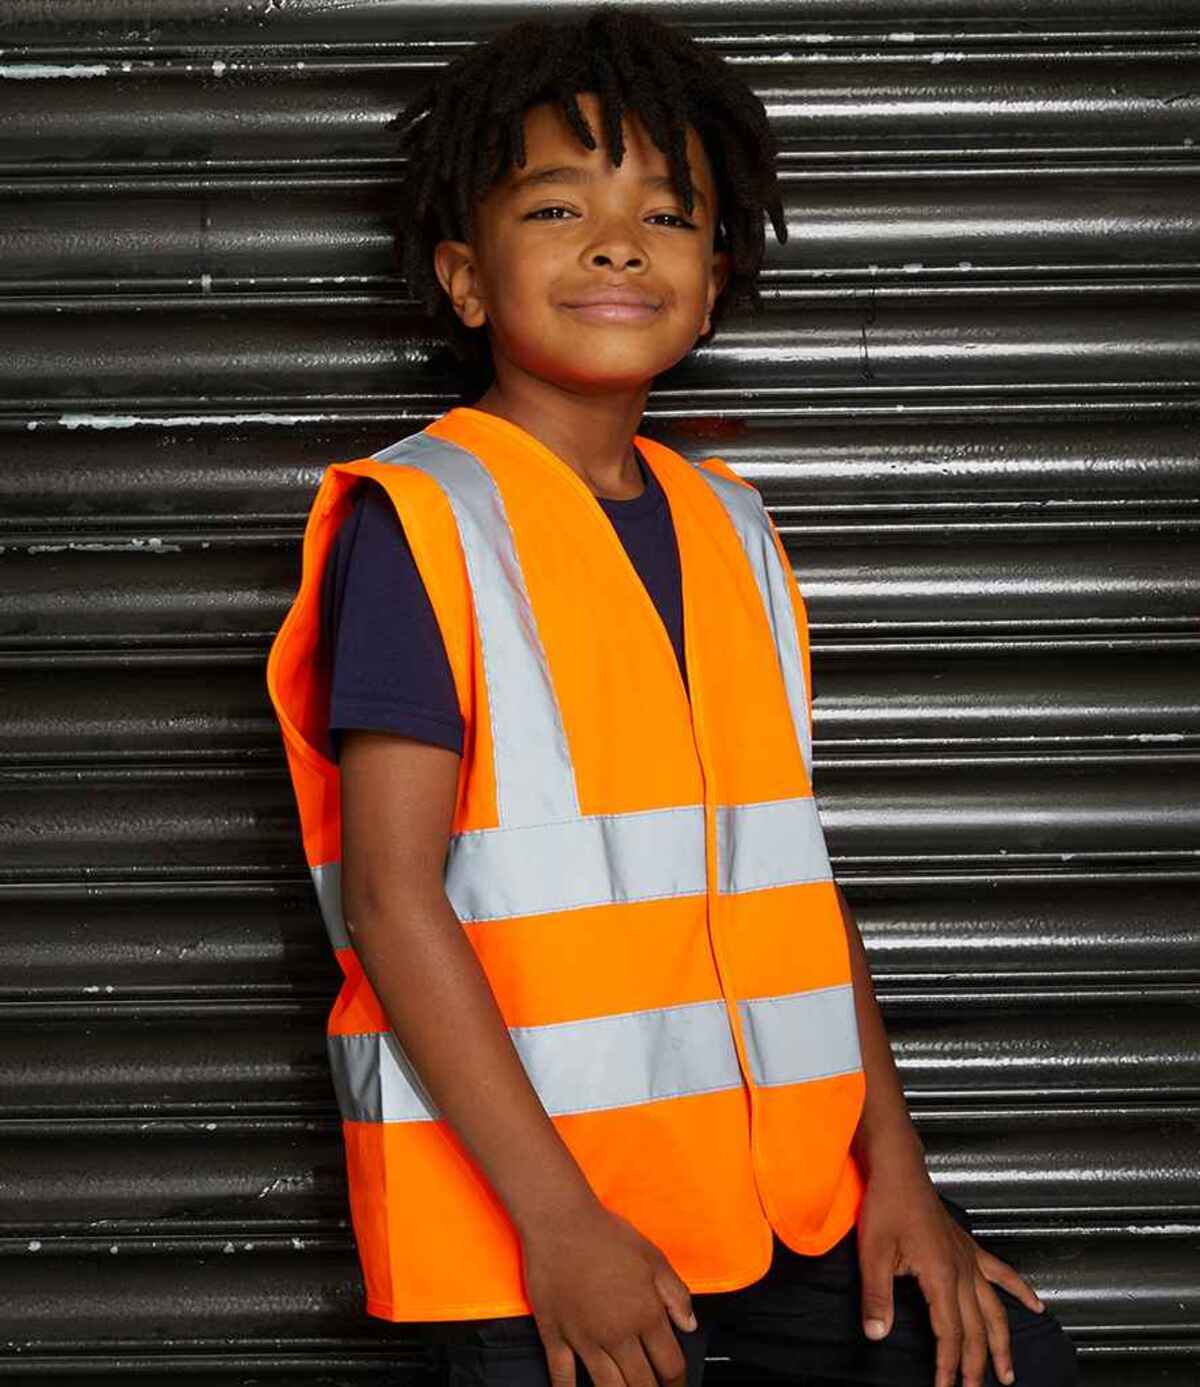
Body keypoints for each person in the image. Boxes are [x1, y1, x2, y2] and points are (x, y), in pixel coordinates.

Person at [266, 9, 1080, 1387]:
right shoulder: (424, 519)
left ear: (712, 284)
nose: (616, 244)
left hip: (779, 1206)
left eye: (665, 214)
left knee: (1008, 1357)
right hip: (540, 1222)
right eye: (557, 208)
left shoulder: (732, 526)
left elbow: (788, 884)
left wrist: (898, 1172)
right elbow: (395, 904)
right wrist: (561, 1225)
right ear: (465, 280)